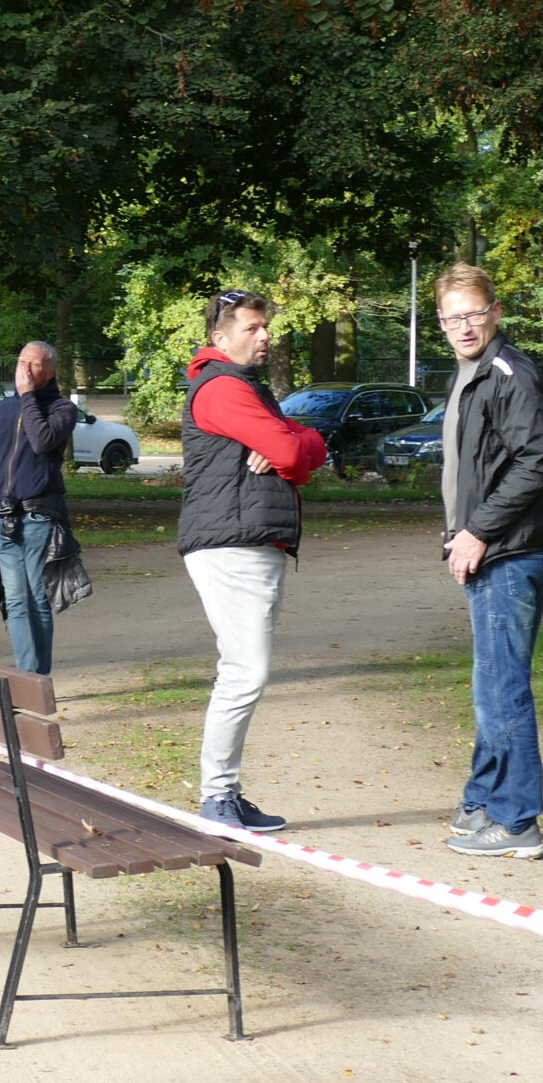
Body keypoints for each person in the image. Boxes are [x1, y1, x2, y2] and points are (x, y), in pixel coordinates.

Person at [178, 291, 329, 834]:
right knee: (244, 673)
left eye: (266, 327)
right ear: (220, 338)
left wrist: (294, 440)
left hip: (249, 542)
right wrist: (292, 444)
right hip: (232, 545)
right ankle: (217, 797)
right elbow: (292, 454)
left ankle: (225, 793)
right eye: (252, 328)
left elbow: (309, 447)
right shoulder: (222, 388)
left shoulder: (244, 387)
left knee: (244, 671)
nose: (265, 336)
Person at [433, 262, 543, 860]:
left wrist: (477, 532)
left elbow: (533, 465)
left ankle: (516, 821)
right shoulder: (469, 374)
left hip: (511, 550)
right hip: (485, 546)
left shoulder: (509, 373)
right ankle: (484, 799)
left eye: (474, 314)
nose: (463, 327)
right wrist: (458, 530)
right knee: (491, 682)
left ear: (496, 313)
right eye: (452, 317)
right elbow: (473, 468)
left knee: (502, 687)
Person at [0, 341, 80, 674]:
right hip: (1, 519)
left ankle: (39, 677)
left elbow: (41, 441)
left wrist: (27, 397)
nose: (24, 370)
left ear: (49, 372)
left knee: (36, 599)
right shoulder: (1, 410)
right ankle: (27, 677)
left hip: (39, 517)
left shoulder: (62, 409)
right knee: (15, 600)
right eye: (22, 361)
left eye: (33, 365)